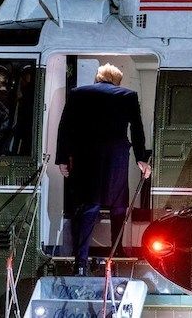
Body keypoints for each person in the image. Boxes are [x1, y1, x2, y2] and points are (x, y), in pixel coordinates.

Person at [55, 63, 151, 275]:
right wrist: (141, 159)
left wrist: (62, 158)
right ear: (117, 80)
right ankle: (116, 257)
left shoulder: (78, 93)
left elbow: (66, 127)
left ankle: (80, 263)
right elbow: (137, 128)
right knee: (118, 208)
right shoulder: (128, 95)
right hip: (116, 157)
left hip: (86, 157)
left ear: (97, 78)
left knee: (89, 207)